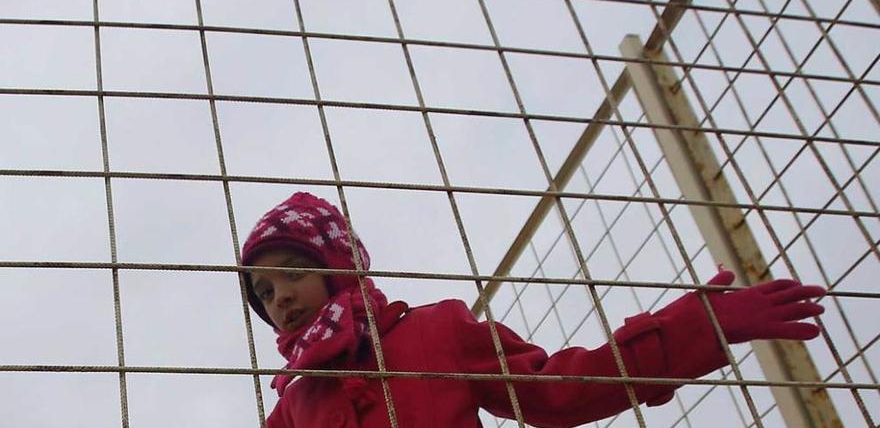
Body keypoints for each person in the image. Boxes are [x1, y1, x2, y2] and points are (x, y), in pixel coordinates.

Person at [240, 192, 826, 428]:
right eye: (263, 292)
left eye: (294, 271)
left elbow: (557, 391)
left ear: (339, 265)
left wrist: (699, 327)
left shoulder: (435, 330)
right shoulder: (295, 399)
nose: (281, 297)